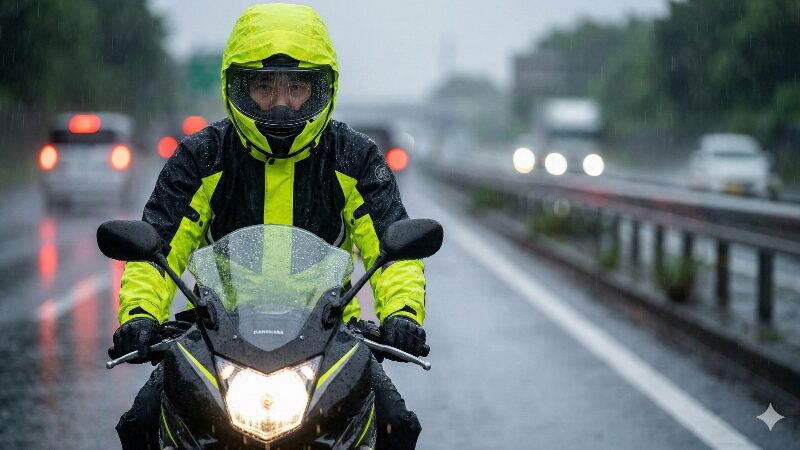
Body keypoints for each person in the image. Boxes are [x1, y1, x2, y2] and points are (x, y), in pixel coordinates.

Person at [108, 4, 428, 449]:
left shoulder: (355, 158)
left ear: (321, 88)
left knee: (397, 423)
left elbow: (392, 250)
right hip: (217, 335)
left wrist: (403, 316)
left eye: (296, 85)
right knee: (142, 421)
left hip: (330, 336)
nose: (281, 102)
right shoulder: (201, 157)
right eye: (263, 85)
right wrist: (140, 316)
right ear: (236, 86)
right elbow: (158, 246)